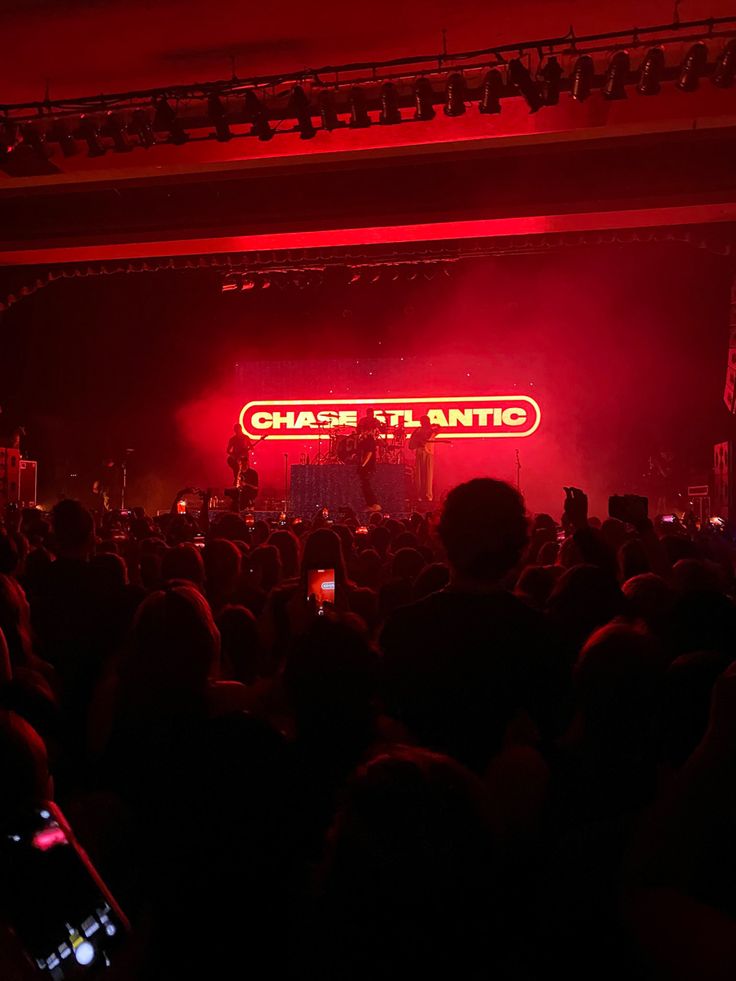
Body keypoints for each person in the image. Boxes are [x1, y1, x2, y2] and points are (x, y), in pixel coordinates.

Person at [409, 415, 440, 502]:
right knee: (419, 475)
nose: (422, 423)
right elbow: (411, 443)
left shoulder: (432, 429)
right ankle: (419, 495)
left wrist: (431, 428)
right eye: (421, 421)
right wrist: (417, 440)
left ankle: (428, 495)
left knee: (428, 475)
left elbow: (439, 428)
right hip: (419, 452)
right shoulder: (418, 430)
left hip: (428, 453)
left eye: (424, 421)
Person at [356, 409, 382, 513]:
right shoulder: (364, 439)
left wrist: (362, 465)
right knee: (365, 485)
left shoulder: (369, 439)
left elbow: (369, 453)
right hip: (365, 465)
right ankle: (371, 504)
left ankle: (374, 504)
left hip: (368, 466)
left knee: (366, 485)